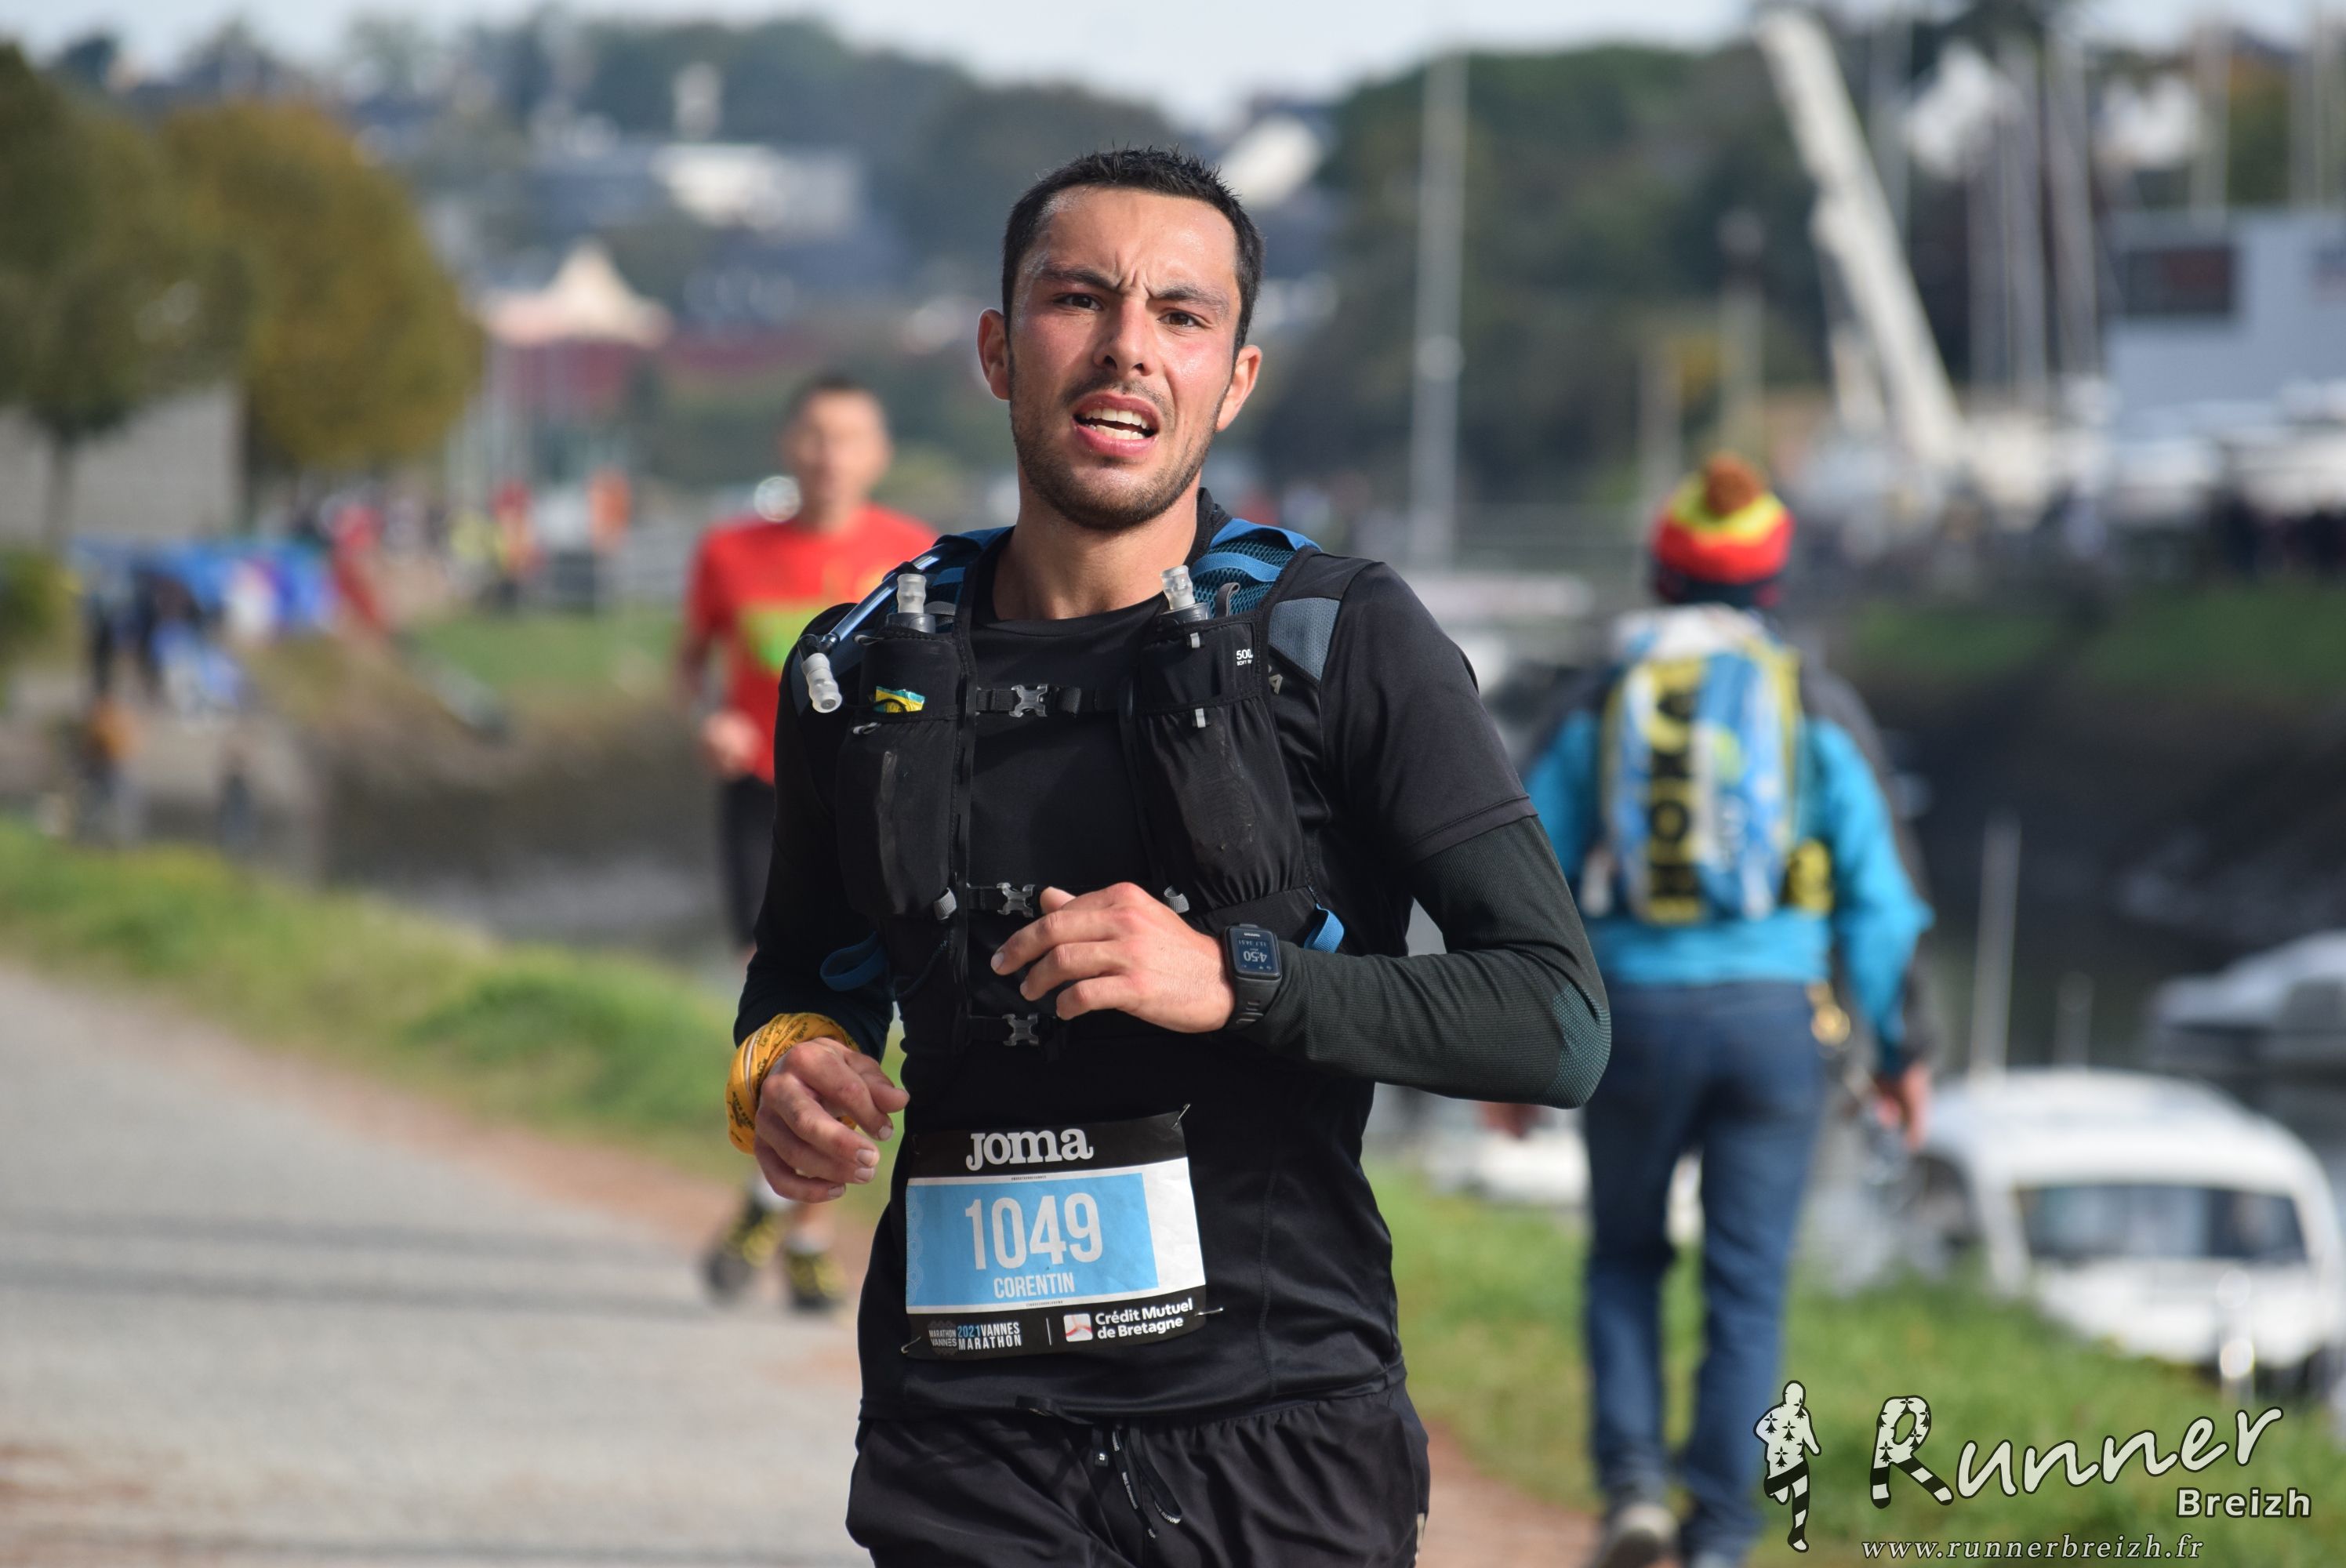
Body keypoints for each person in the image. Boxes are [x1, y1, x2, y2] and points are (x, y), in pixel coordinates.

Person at [723, 147, 1611, 1566]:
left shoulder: (1345, 640)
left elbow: (1555, 1020)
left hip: (1279, 1438)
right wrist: (785, 1074)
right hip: (964, 1440)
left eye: (1180, 315)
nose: (1128, 346)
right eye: (1079, 299)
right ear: (1000, 351)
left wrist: (1236, 977)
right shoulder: (860, 672)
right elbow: (799, 979)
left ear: (1233, 379)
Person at [1523, 454, 1934, 1568]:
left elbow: (1518, 872)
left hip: (1629, 1022)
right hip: (1774, 1028)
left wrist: (1517, 1047)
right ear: (1772, 585)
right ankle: (1719, 1533)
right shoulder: (1809, 701)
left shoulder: (1600, 696)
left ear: (1662, 576)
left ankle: (1632, 1492)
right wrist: (1904, 1050)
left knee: (1624, 1257)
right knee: (1745, 1290)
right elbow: (1882, 904)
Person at [681, 373, 934, 1310]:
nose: (831, 455)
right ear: (788, 445)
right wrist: (710, 721)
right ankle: (803, 1225)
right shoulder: (727, 551)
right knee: (787, 1007)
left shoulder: (913, 553)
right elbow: (690, 669)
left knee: (866, 1006)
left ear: (880, 453)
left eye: (851, 437)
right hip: (762, 803)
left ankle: (780, 1210)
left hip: (876, 807)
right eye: (816, 435)